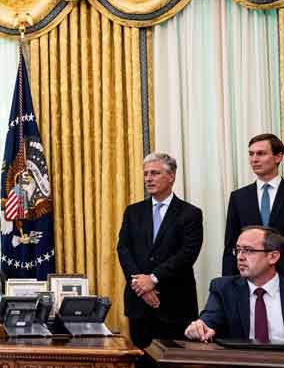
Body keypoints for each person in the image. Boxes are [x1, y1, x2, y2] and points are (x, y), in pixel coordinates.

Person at [116, 152, 204, 349]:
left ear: (171, 176)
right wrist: (140, 285)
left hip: (174, 305)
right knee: (140, 360)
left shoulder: (190, 213)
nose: (148, 178)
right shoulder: (133, 211)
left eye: (154, 173)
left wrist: (153, 279)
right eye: (146, 173)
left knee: (173, 360)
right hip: (139, 304)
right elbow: (123, 249)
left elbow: (187, 253)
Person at [185, 226, 284, 342]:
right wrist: (200, 327)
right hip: (240, 354)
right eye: (238, 250)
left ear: (273, 257)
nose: (240, 257)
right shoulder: (224, 288)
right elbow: (209, 320)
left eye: (248, 250)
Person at [223, 134, 284, 276]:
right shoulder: (239, 197)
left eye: (261, 154)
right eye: (251, 154)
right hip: (249, 278)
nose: (254, 159)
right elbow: (231, 246)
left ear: (278, 157)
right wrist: (229, 282)